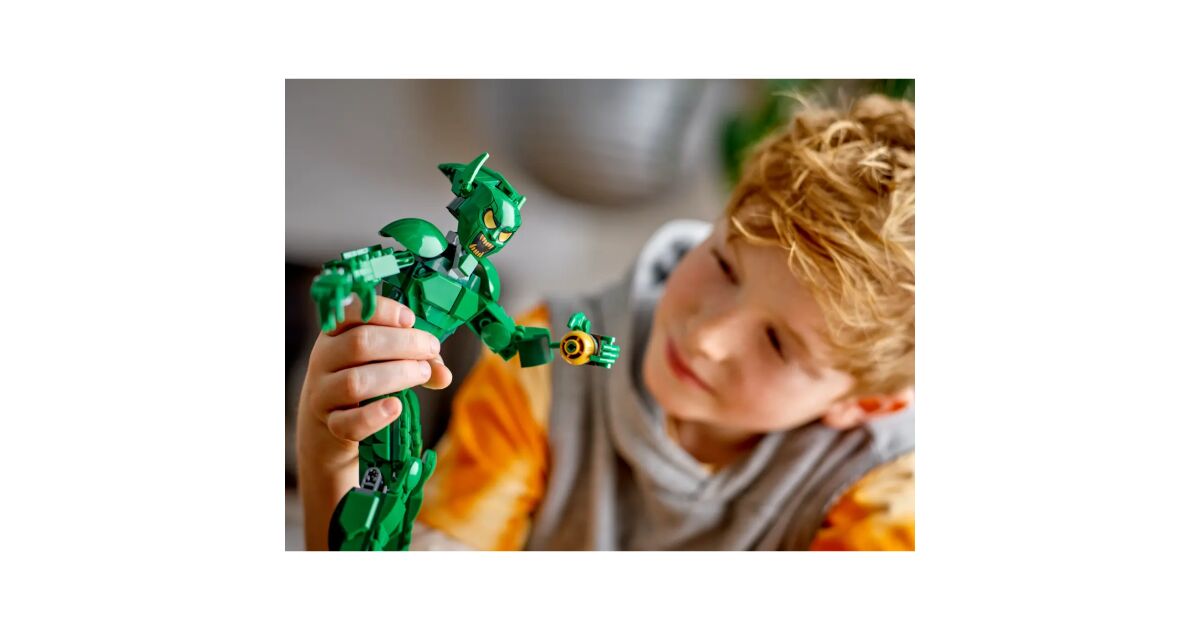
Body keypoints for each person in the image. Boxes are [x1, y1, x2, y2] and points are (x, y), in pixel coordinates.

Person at [297, 94, 915, 551]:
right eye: (724, 264)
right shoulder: (547, 387)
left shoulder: (884, 487)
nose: (707, 337)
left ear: (867, 406)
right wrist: (329, 470)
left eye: (778, 343)